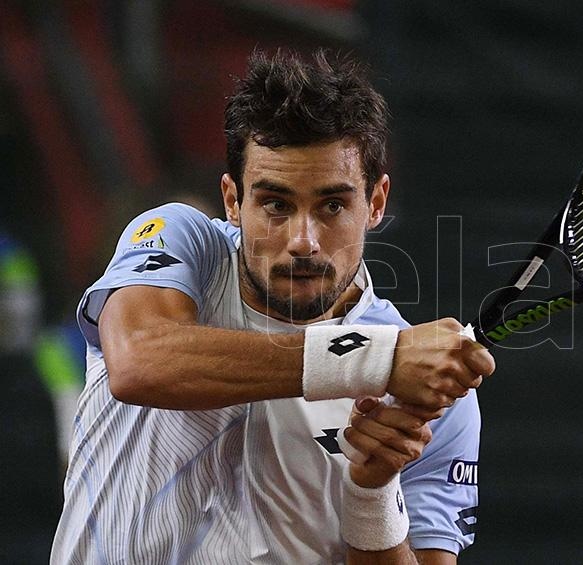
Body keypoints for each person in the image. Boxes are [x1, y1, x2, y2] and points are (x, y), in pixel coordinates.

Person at [50, 49, 495, 564]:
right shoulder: (183, 240)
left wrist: (372, 494)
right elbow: (139, 361)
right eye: (276, 204)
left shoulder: (435, 392)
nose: (303, 240)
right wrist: (377, 359)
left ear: (375, 203)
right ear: (232, 200)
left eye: (332, 204)